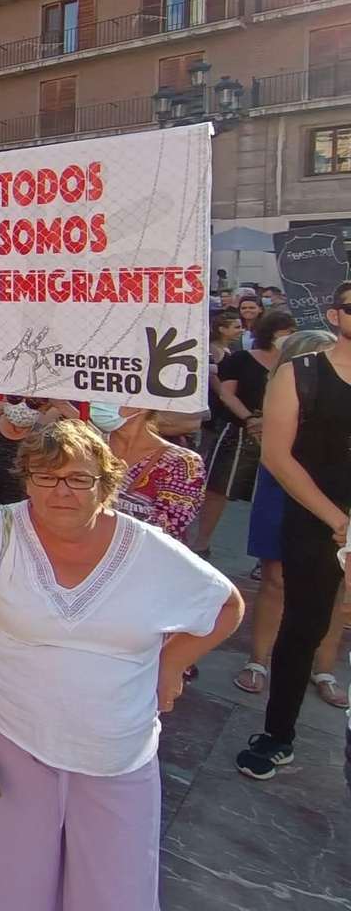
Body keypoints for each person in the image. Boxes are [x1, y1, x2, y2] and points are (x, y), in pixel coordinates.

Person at [0, 420, 242, 910]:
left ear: (105, 485)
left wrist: (170, 666)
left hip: (116, 752)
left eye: (79, 478)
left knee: (115, 892)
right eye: (46, 476)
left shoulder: (148, 548)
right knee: (3, 889)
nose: (62, 491)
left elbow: (225, 607)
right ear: (27, 479)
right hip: (8, 737)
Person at [237, 284, 351, 779]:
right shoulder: (300, 373)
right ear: (335, 314)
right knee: (303, 625)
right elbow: (278, 456)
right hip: (316, 521)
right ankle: (278, 735)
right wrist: (339, 521)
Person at [191, 307, 295, 557]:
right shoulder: (241, 359)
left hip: (279, 433)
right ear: (271, 332)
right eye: (285, 332)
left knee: (274, 494)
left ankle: (267, 554)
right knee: (219, 488)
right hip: (238, 431)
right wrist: (249, 418)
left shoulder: (293, 364)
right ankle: (201, 542)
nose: (289, 336)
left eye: (292, 332)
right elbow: (226, 393)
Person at [90, 402, 206, 542]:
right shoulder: (87, 449)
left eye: (112, 399)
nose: (99, 404)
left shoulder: (183, 462)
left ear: (142, 405)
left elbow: (170, 525)